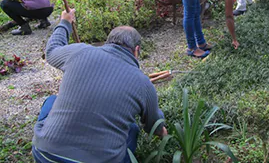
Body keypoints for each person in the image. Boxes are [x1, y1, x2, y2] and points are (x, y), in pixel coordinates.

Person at [32, 9, 168, 163]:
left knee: (51, 101)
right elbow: (154, 126)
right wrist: (165, 134)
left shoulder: (79, 51)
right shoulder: (143, 83)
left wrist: (65, 22)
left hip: (45, 154)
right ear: (136, 51)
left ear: (108, 42)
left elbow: (51, 50)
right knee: (132, 129)